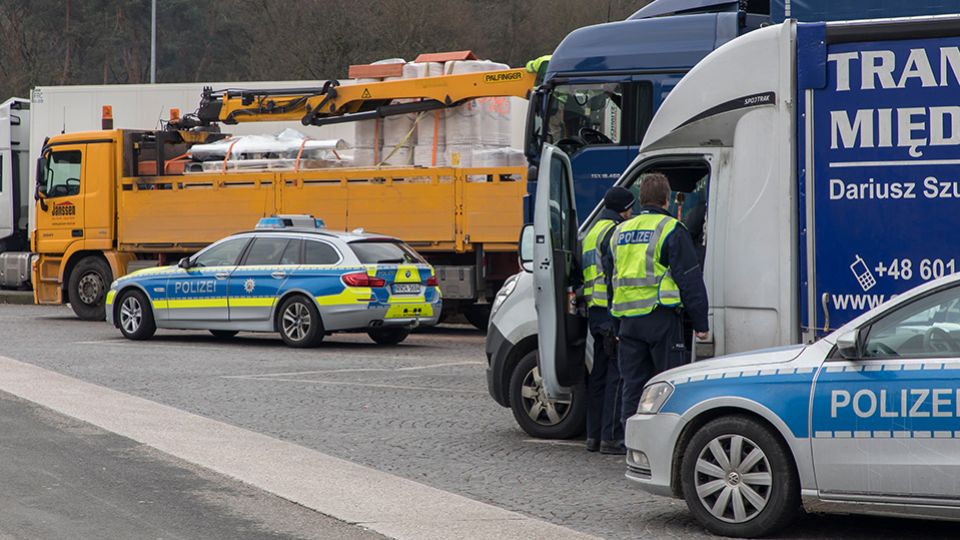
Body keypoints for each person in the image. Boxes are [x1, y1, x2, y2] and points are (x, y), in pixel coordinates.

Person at [607, 173, 709, 445]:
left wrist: (616, 325)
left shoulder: (619, 232)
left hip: (628, 321)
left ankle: (632, 444)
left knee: (632, 386)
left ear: (640, 200)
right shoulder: (671, 228)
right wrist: (701, 323)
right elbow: (689, 278)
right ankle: (665, 446)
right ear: (666, 199)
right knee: (668, 384)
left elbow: (611, 282)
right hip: (660, 319)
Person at [581, 186, 634, 454]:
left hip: (595, 311)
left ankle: (594, 436)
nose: (632, 213)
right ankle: (612, 437)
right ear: (623, 209)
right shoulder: (614, 232)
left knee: (598, 377)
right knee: (617, 375)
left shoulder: (592, 232)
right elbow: (614, 273)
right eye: (630, 208)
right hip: (610, 312)